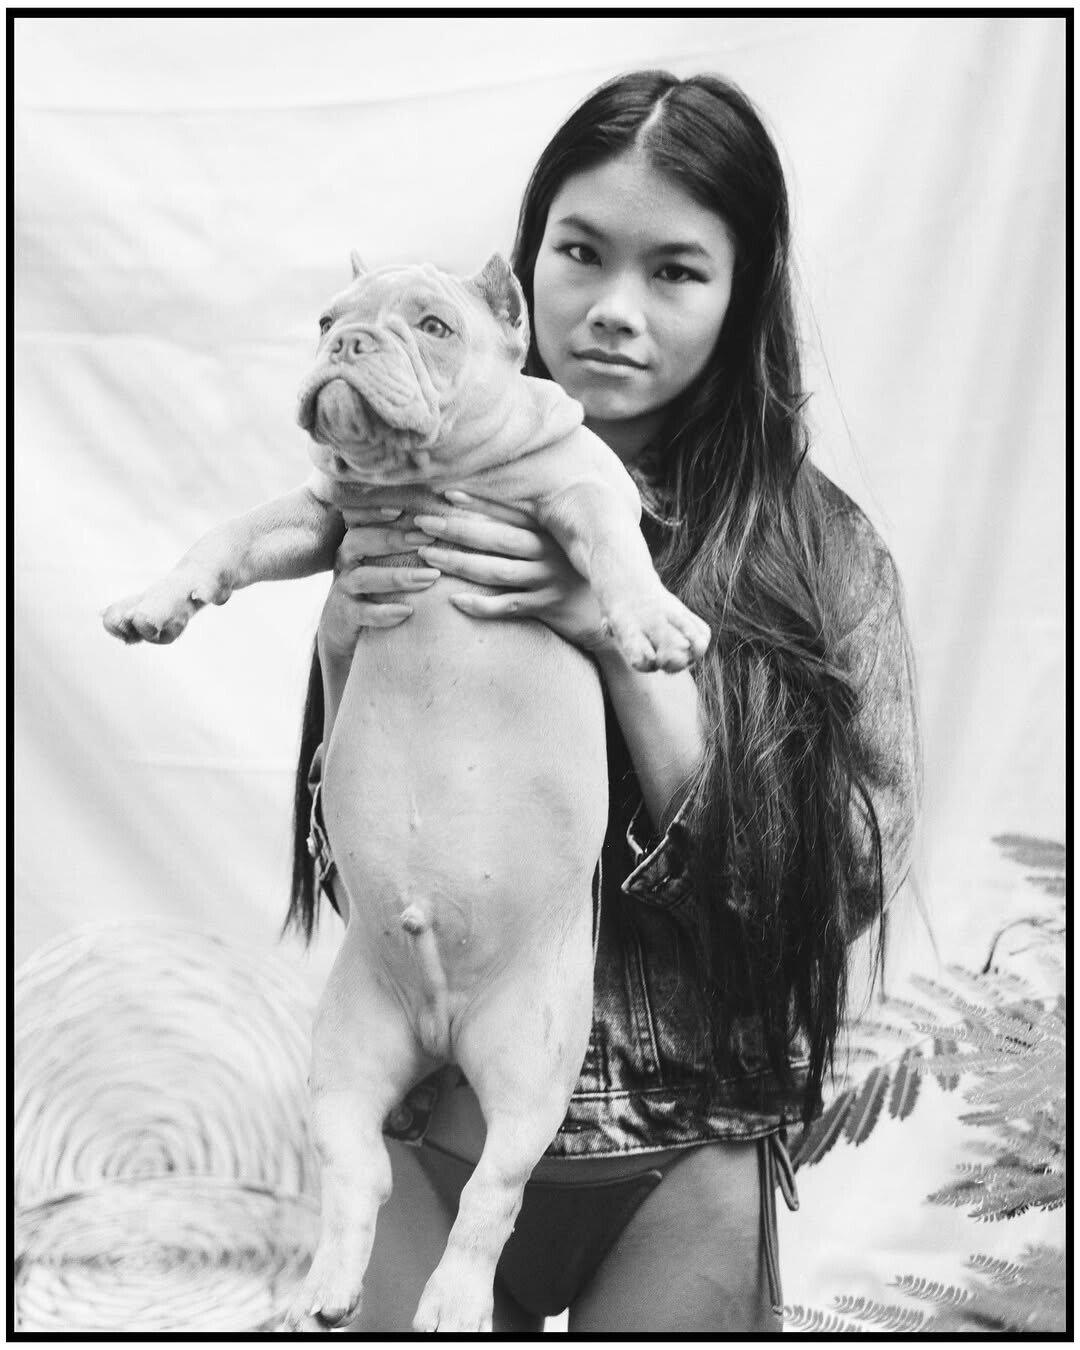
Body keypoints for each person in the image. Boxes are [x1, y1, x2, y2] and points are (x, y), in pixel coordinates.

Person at [287, 69, 920, 1333]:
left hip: (686, 1152)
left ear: (742, 296)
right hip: (432, 1139)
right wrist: (342, 639)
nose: (616, 309)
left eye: (676, 271)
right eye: (580, 252)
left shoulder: (814, 551)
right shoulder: (396, 497)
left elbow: (829, 891)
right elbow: (366, 866)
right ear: (521, 278)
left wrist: (616, 640)